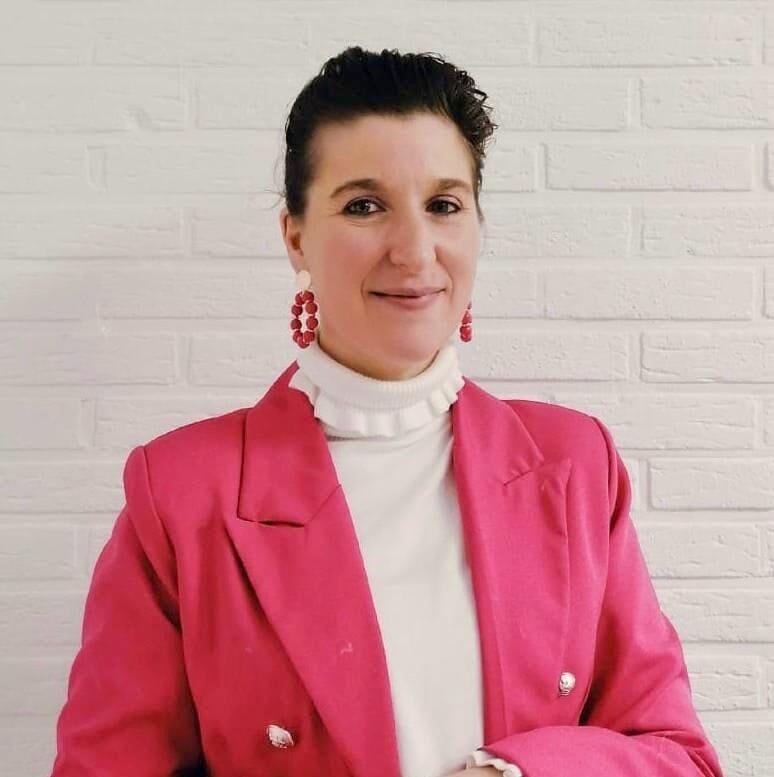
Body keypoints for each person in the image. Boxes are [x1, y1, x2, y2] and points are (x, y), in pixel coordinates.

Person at [49, 46, 724, 777]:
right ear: (296, 238)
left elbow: (678, 757)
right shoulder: (182, 494)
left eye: (444, 205)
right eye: (364, 206)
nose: (414, 250)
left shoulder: (574, 465)